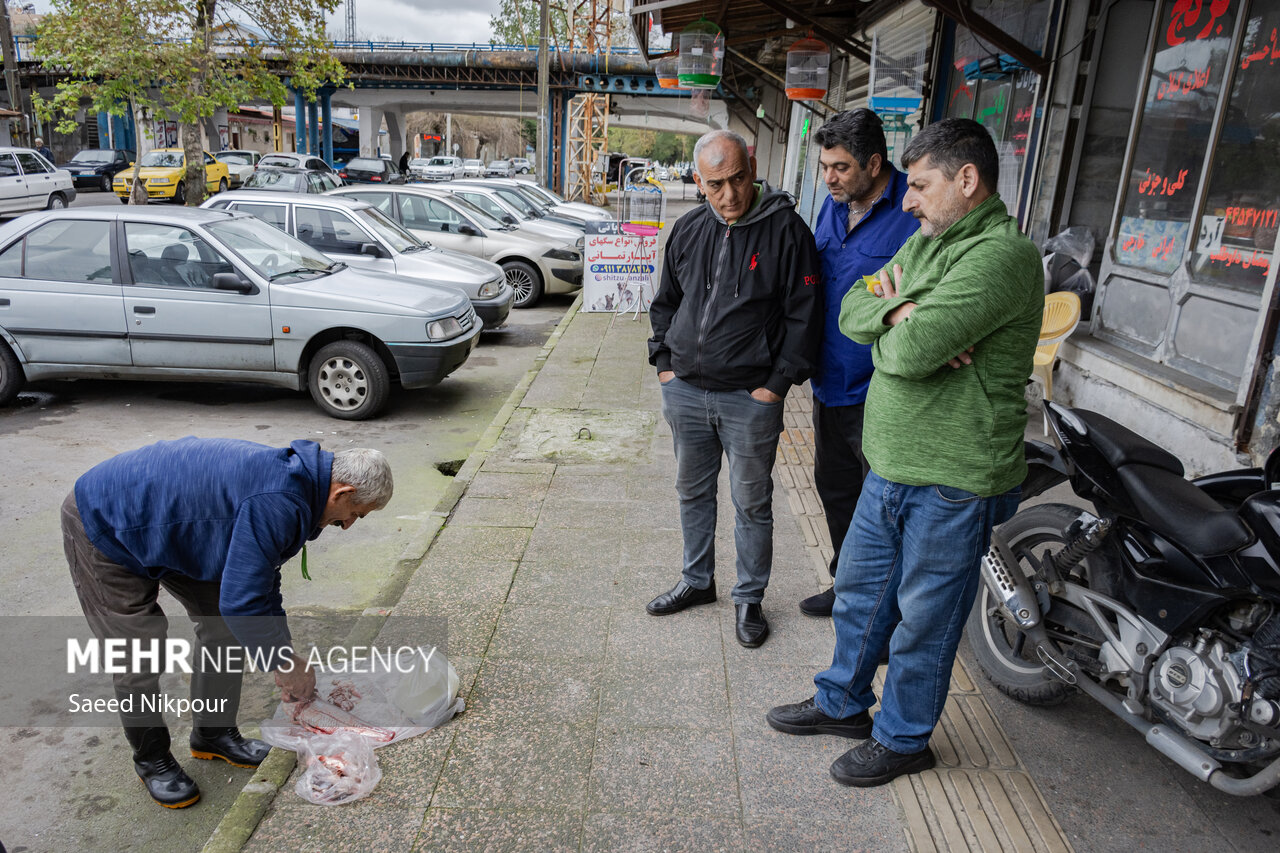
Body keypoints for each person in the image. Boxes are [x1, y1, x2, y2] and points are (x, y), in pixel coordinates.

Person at [767, 118, 1043, 786]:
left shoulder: (1001, 257)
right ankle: (841, 702)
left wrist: (902, 329)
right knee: (861, 595)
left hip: (955, 476)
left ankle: (903, 737)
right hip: (891, 463)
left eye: (920, 185)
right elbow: (853, 309)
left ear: (967, 180)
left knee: (925, 618)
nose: (909, 200)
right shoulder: (929, 240)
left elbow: (914, 356)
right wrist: (899, 313)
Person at [61, 438, 393, 808]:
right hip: (107, 523)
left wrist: (285, 657)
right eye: (356, 514)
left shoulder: (304, 492)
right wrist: (284, 664)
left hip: (177, 528)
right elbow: (244, 601)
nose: (348, 525)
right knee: (138, 652)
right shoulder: (280, 499)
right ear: (342, 492)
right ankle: (151, 759)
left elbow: (261, 584)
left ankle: (213, 735)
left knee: (223, 628)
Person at [646, 129, 821, 648]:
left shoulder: (787, 231)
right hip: (686, 391)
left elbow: (804, 317)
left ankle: (749, 599)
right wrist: (663, 363)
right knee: (692, 492)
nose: (729, 195)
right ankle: (697, 581)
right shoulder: (689, 229)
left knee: (752, 503)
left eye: (738, 179)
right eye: (716, 184)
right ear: (698, 182)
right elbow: (666, 302)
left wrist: (775, 385)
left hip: (750, 398)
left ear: (753, 167)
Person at [800, 109, 919, 618]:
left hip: (883, 389)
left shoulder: (912, 213)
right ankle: (846, 585)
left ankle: (885, 609)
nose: (829, 177)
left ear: (874, 163)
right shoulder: (831, 206)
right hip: (829, 382)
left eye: (841, 167)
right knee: (836, 488)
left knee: (886, 507)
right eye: (824, 165)